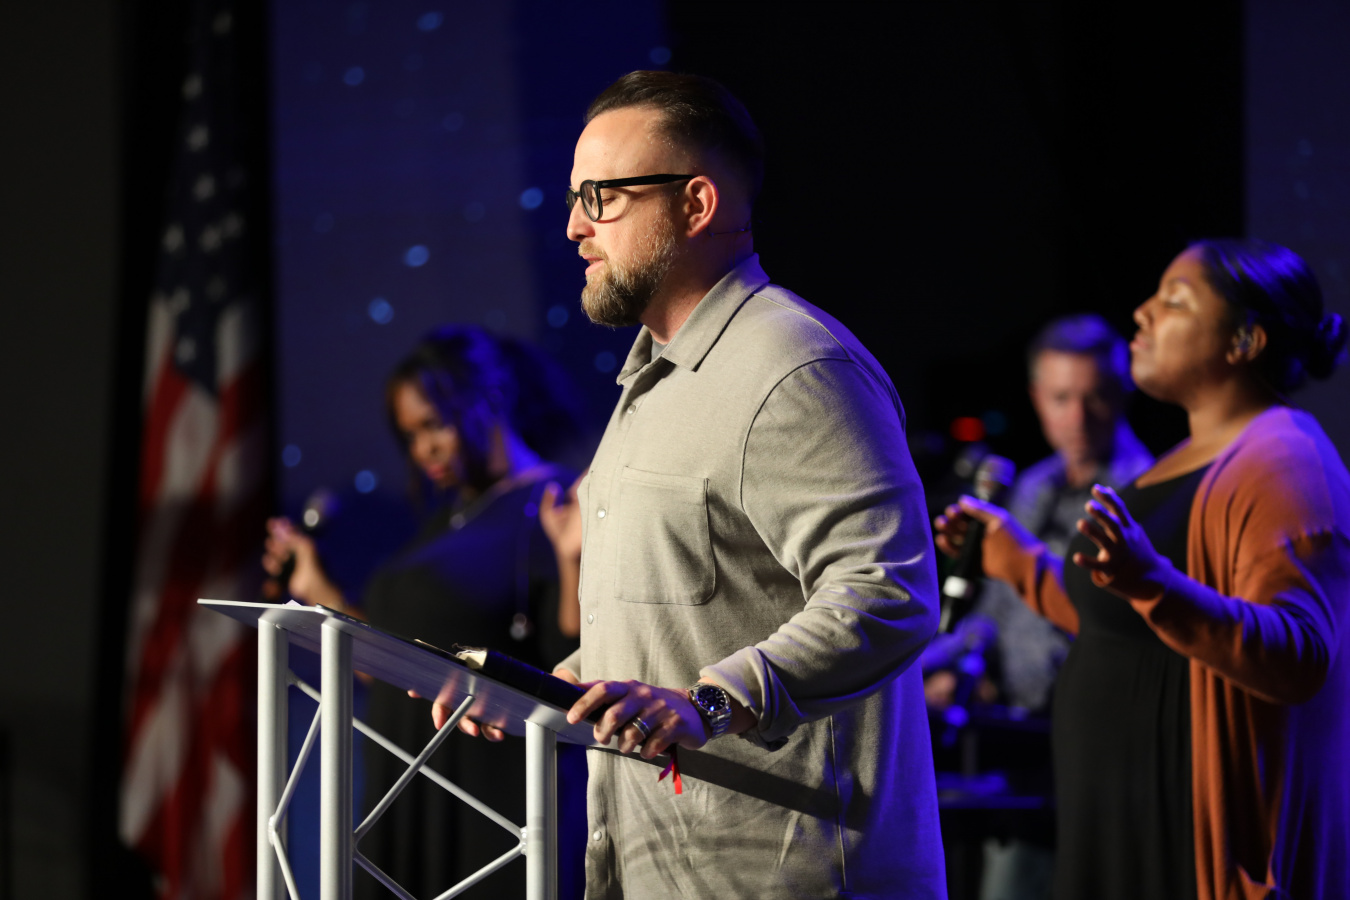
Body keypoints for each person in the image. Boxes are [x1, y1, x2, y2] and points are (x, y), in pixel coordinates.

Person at [443, 70, 946, 898]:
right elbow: (672, 634)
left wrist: (710, 705)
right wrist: (540, 694)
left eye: (602, 197)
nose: (574, 226)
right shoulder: (651, 385)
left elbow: (888, 591)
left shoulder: (796, 368)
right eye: (574, 198)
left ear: (697, 204)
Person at [935, 239, 1350, 899]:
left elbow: (1300, 654)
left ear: (1245, 339)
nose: (1143, 313)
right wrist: (1019, 562)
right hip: (1117, 820)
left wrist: (1154, 583)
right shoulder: (1184, 460)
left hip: (1184, 834)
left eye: (1175, 301)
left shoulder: (1285, 459)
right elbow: (1121, 624)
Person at [263, 325, 586, 899]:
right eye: (410, 436)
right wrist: (316, 587)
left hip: (491, 803)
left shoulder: (556, 503)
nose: (423, 451)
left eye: (434, 425)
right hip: (406, 790)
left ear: (491, 399)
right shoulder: (446, 522)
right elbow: (392, 668)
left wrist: (573, 559)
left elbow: (573, 661)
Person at [924, 314, 1154, 900]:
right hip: (1023, 753)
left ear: (1122, 392)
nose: (1077, 417)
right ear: (1036, 398)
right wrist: (955, 666)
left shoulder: (1148, 495)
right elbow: (994, 613)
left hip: (1112, 755)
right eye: (1061, 398)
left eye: (1094, 396)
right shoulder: (1029, 487)